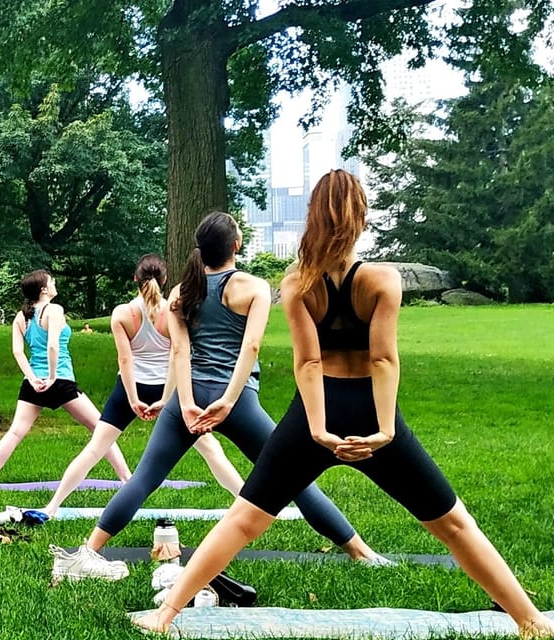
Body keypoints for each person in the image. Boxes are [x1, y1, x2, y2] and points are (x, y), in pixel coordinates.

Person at [134, 170, 554, 638]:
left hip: (317, 410)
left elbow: (309, 364)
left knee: (245, 518)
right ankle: (530, 621)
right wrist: (385, 429)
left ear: (312, 217)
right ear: (361, 218)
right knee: (453, 523)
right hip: (370, 409)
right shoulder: (381, 279)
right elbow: (383, 358)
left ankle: (164, 614)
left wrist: (318, 429)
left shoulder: (296, 283)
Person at [51, 211, 388, 582]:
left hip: (189, 401)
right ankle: (360, 552)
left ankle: (86, 553)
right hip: (237, 401)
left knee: (144, 478)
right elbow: (251, 346)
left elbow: (179, 353)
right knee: (294, 478)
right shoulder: (254, 287)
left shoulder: (181, 292)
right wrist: (228, 400)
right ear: (236, 246)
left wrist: (188, 402)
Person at [41, 254, 247, 519]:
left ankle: (52, 506)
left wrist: (133, 398)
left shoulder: (122, 313)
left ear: (135, 279)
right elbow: (178, 354)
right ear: (164, 280)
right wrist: (165, 398)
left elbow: (125, 359)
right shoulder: (174, 308)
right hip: (169, 388)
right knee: (209, 448)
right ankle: (246, 503)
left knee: (95, 448)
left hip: (132, 388)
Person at [0, 270, 131, 488]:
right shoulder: (54, 310)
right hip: (60, 380)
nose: (54, 283)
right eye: (51, 281)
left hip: (33, 384)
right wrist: (51, 377)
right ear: (43, 289)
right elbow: (52, 345)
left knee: (15, 432)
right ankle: (127, 479)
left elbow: (18, 353)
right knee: (101, 429)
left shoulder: (22, 317)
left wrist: (32, 379)